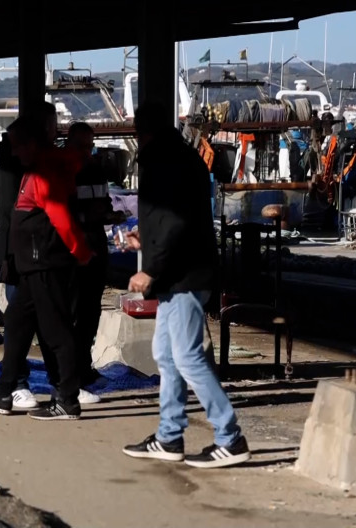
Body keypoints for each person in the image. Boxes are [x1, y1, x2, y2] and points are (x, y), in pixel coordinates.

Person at [121, 102, 250, 468]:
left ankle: (231, 438)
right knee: (166, 355)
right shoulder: (180, 156)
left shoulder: (164, 163)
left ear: (139, 132)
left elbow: (177, 224)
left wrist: (151, 270)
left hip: (183, 276)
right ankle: (169, 435)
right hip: (181, 274)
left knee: (188, 357)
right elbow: (171, 221)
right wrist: (144, 238)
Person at [0, 116, 93, 421]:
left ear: (31, 145)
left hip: (43, 263)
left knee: (56, 331)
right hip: (33, 265)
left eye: (16, 145)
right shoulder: (38, 167)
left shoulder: (44, 171)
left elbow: (60, 216)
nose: (13, 151)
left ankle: (67, 399)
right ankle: (4, 391)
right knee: (16, 322)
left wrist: (81, 252)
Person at [65, 122, 127, 402]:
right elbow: (65, 212)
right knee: (74, 311)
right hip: (73, 249)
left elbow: (102, 204)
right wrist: (94, 218)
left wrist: (109, 215)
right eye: (82, 146)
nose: (87, 151)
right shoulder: (64, 171)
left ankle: (84, 366)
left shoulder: (96, 170)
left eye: (90, 146)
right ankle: (72, 371)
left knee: (92, 311)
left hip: (96, 247)